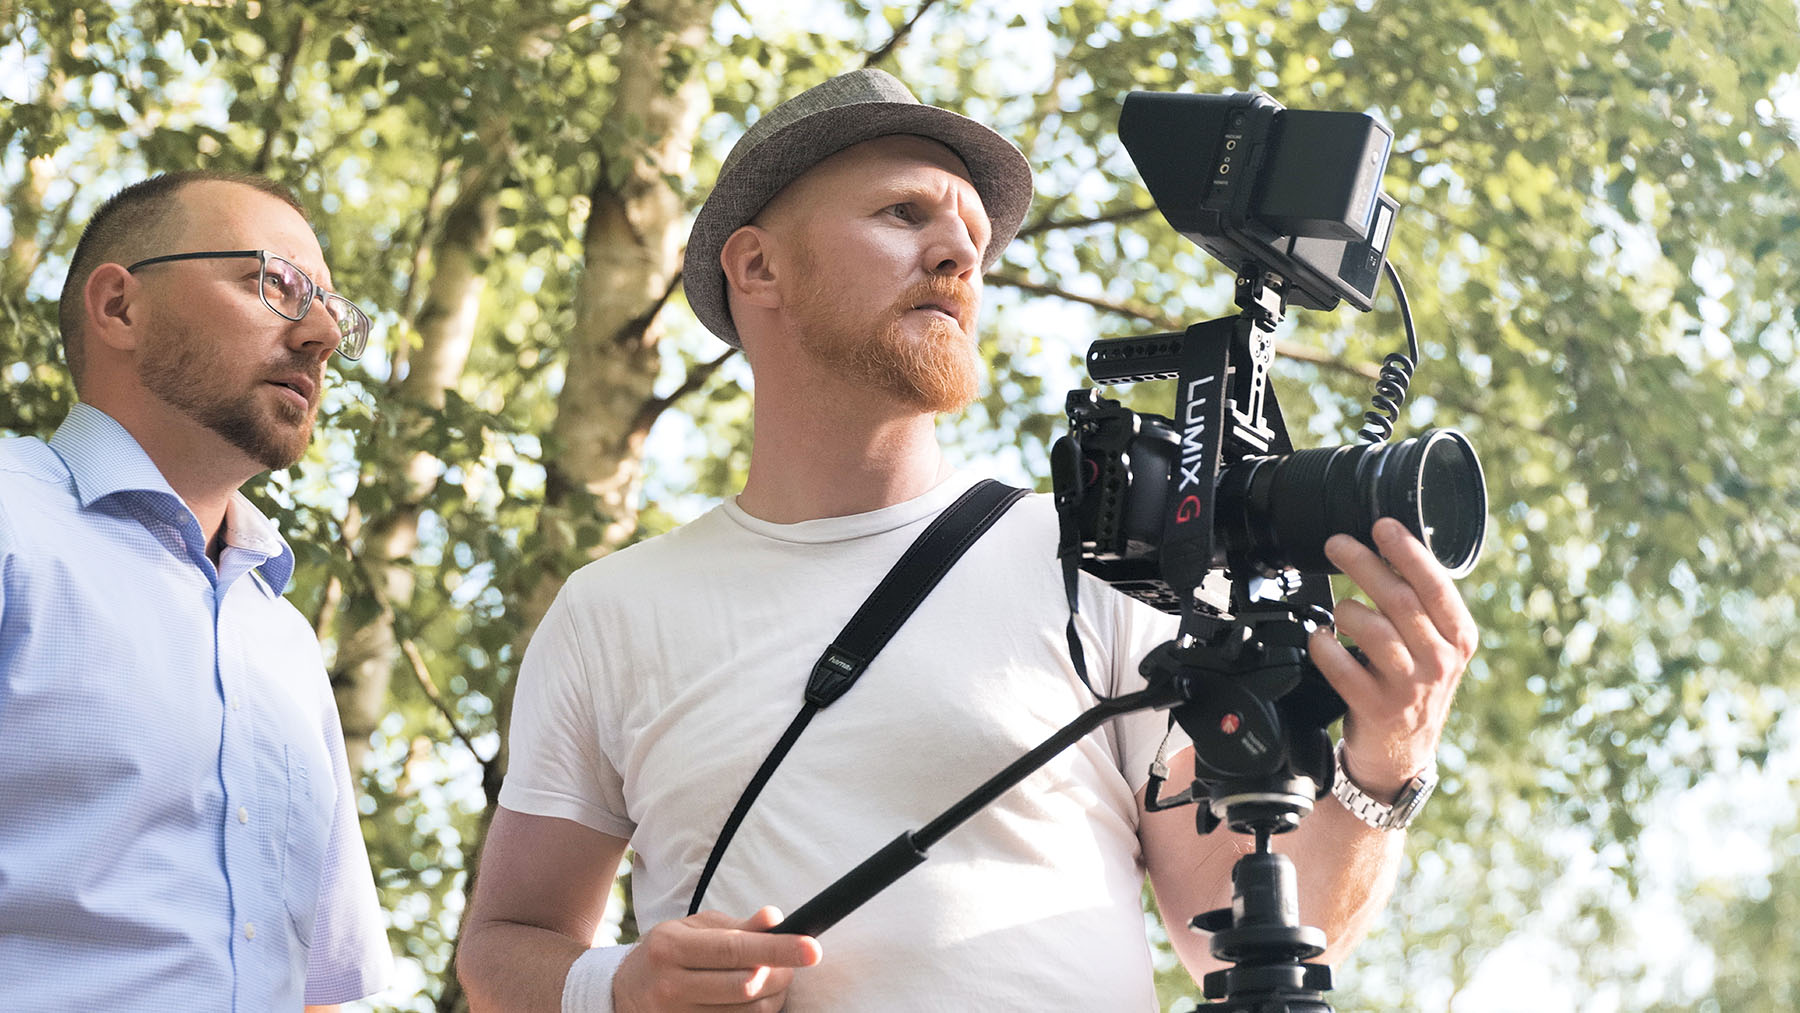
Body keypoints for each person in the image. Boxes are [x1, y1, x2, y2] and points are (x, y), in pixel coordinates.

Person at [459, 70, 1476, 1012]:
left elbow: (1237, 932)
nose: (957, 255)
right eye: (903, 213)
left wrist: (1383, 767)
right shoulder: (613, 610)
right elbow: (504, 941)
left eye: (972, 238)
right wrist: (619, 987)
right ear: (757, 264)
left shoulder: (1109, 564)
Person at [0, 170, 393, 1009]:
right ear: (120, 308)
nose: (323, 331)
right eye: (278, 284)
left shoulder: (281, 640)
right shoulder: (10, 523)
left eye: (330, 306)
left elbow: (322, 984)